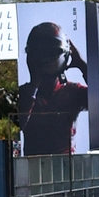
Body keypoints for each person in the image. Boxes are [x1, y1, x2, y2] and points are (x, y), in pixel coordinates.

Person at [18, 20, 89, 156]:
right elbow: (20, 124)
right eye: (40, 54)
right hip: (34, 168)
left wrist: (81, 64)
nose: (46, 60)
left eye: (52, 53)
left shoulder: (73, 91)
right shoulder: (23, 94)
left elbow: (97, 101)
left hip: (66, 168)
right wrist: (34, 85)